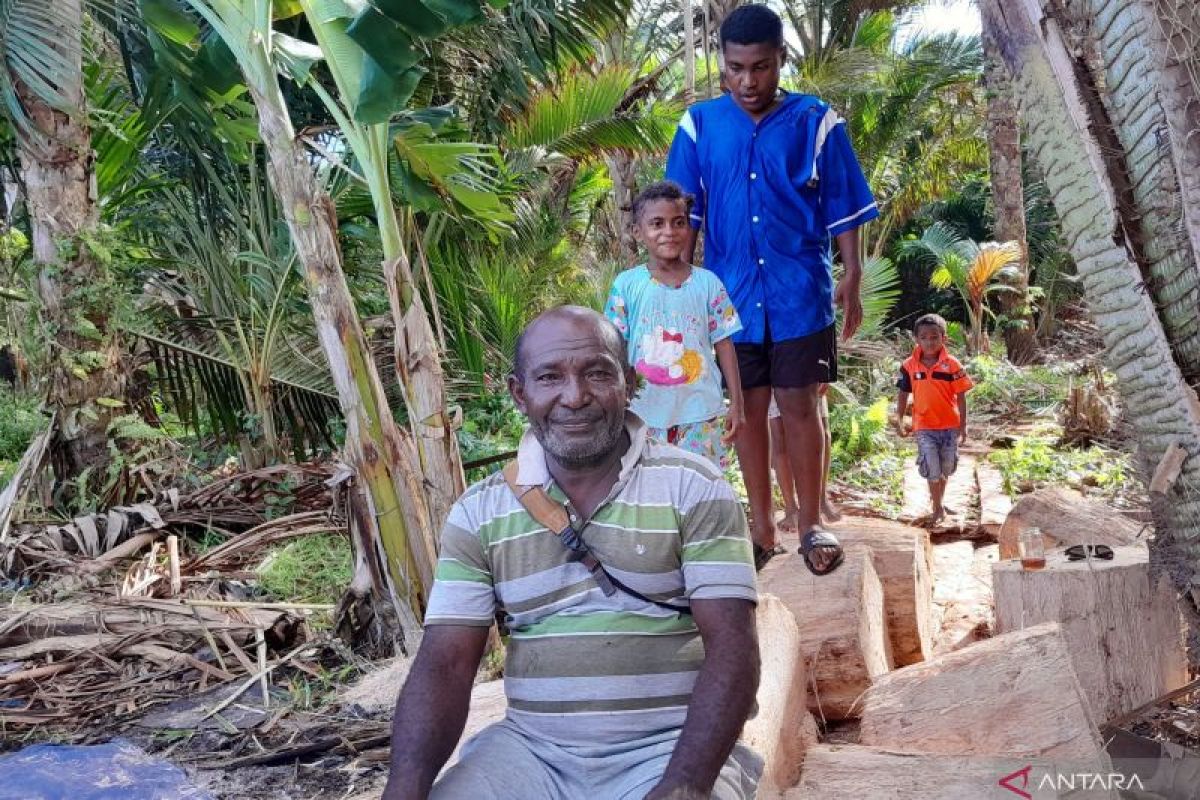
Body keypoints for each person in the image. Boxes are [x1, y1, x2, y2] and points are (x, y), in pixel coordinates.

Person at [383, 306, 762, 800]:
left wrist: (684, 785)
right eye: (549, 377)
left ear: (629, 382)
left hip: (667, 749)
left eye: (597, 373)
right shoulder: (479, 512)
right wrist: (403, 791)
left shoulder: (693, 487)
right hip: (529, 754)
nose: (575, 396)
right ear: (520, 394)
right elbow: (445, 664)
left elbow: (734, 647)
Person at [665, 4, 877, 574]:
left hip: (798, 293)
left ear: (781, 58)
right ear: (722, 65)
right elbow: (683, 213)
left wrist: (852, 274)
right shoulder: (700, 125)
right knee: (748, 410)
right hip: (729, 298)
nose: (748, 81)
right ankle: (760, 530)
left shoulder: (815, 120)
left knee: (800, 406)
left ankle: (810, 524)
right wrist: (682, 291)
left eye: (760, 67)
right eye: (736, 68)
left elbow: (844, 202)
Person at [604, 180, 745, 470]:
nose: (668, 232)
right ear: (637, 232)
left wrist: (737, 403)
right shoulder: (626, 285)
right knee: (647, 491)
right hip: (642, 413)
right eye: (657, 223)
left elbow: (725, 344)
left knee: (702, 488)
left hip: (700, 412)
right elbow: (613, 346)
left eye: (678, 222)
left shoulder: (708, 283)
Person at [894, 314, 974, 526]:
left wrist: (963, 425)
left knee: (946, 467)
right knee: (932, 467)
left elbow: (961, 395)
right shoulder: (909, 366)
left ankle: (939, 500)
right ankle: (937, 508)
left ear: (943, 338)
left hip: (949, 426)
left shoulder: (952, 365)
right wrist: (900, 418)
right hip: (924, 426)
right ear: (916, 340)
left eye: (934, 337)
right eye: (924, 337)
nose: (930, 342)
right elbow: (903, 394)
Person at [769, 388, 840, 536]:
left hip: (806, 369)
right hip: (767, 369)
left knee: (821, 428)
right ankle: (790, 508)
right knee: (779, 435)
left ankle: (820, 498)